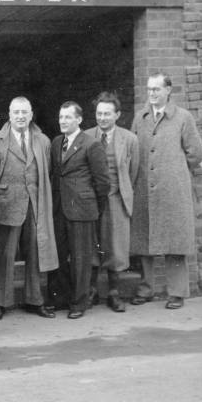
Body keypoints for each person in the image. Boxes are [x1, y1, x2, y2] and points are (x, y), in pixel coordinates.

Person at [130, 73, 202, 309]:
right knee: (145, 243)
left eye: (157, 89)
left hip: (173, 191)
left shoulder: (183, 118)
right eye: (149, 89)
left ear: (169, 90)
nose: (151, 93)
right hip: (143, 188)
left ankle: (177, 293)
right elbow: (133, 151)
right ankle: (146, 289)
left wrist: (176, 171)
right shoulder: (139, 119)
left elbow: (196, 153)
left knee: (175, 243)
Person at [0, 97, 58, 320]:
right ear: (9, 115)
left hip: (35, 205)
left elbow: (47, 172)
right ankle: (0, 302)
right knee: (4, 255)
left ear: (31, 115)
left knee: (35, 254)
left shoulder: (42, 140)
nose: (20, 116)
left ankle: (34, 300)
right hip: (6, 205)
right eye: (16, 112)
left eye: (24, 112)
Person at [47, 101, 110, 319]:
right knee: (60, 255)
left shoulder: (91, 144)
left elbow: (103, 182)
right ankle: (63, 298)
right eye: (61, 117)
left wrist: (94, 207)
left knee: (81, 259)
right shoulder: (56, 143)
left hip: (82, 210)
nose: (63, 121)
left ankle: (80, 302)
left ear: (79, 120)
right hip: (59, 209)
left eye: (68, 117)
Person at [84, 92, 139, 313]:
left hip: (116, 198)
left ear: (117, 115)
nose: (103, 118)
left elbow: (133, 172)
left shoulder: (130, 139)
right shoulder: (85, 136)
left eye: (107, 113)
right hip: (91, 200)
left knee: (116, 246)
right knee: (93, 244)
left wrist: (120, 190)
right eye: (99, 113)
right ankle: (92, 291)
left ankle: (114, 293)